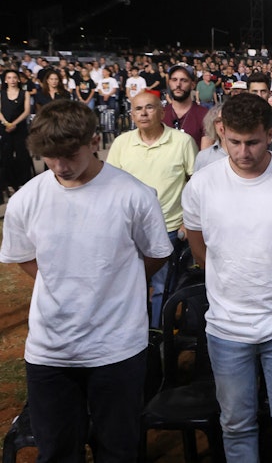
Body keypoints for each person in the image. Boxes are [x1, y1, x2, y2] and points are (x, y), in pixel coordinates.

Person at [0, 100, 172, 462]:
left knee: (118, 450)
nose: (61, 166)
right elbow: (24, 257)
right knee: (57, 451)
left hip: (117, 348)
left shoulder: (134, 195)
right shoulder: (26, 200)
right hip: (50, 351)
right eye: (50, 156)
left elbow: (157, 253)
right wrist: (62, 277)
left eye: (69, 154)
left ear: (95, 141)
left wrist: (116, 281)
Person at [182, 93, 272, 462]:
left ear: (269, 133)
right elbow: (200, 249)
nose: (243, 151)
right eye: (234, 142)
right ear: (221, 131)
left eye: (253, 142)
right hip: (226, 326)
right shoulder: (201, 185)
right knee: (235, 423)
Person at [106, 92, 197, 328]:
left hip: (167, 228)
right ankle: (135, 333)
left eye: (149, 107)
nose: (144, 113)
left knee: (162, 288)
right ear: (131, 114)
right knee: (129, 286)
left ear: (161, 111)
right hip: (128, 230)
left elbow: (195, 184)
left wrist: (187, 221)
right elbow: (110, 186)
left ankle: (158, 335)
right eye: (138, 109)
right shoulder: (121, 144)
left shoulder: (182, 142)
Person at [1, 69, 33, 195]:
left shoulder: (25, 93)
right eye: (9, 77)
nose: (12, 80)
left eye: (14, 77)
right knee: (6, 156)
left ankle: (24, 183)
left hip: (20, 129)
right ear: (5, 80)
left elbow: (26, 111)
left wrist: (14, 123)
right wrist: (6, 124)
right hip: (5, 128)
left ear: (18, 79)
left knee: (22, 155)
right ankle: (8, 184)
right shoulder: (1, 93)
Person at [162, 64, 209, 149]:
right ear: (169, 83)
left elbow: (205, 156)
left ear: (192, 85)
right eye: (174, 80)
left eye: (184, 80)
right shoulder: (160, 114)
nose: (178, 84)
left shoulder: (205, 115)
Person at [194, 104, 228, 171]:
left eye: (226, 120)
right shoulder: (204, 157)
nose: (222, 125)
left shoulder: (247, 153)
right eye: (218, 121)